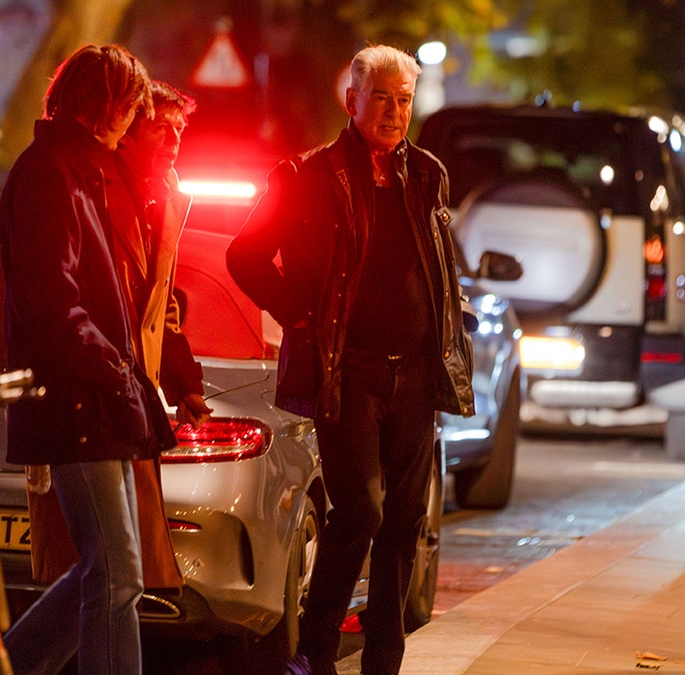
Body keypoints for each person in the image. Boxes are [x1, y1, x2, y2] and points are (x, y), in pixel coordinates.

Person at [226, 44, 475, 675]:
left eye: (404, 100)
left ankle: (383, 661)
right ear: (352, 100)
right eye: (382, 98)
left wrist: (454, 322)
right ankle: (315, 650)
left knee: (403, 523)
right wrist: (301, 317)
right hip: (347, 373)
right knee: (361, 510)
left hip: (416, 374)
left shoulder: (427, 174)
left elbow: (440, 263)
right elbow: (245, 256)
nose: (394, 112)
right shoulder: (306, 176)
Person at [0, 44, 173, 675]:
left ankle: (1, 669)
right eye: (131, 103)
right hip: (76, 400)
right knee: (116, 570)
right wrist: (114, 371)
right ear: (105, 103)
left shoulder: (79, 168)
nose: (136, 117)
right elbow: (52, 298)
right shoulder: (51, 172)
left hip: (93, 397)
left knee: (106, 568)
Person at [24, 80, 213, 600]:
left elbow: (160, 305)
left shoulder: (166, 197)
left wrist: (184, 380)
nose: (174, 139)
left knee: (116, 577)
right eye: (160, 127)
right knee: (107, 573)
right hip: (90, 395)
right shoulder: (93, 186)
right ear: (128, 131)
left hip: (129, 396)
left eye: (180, 129)